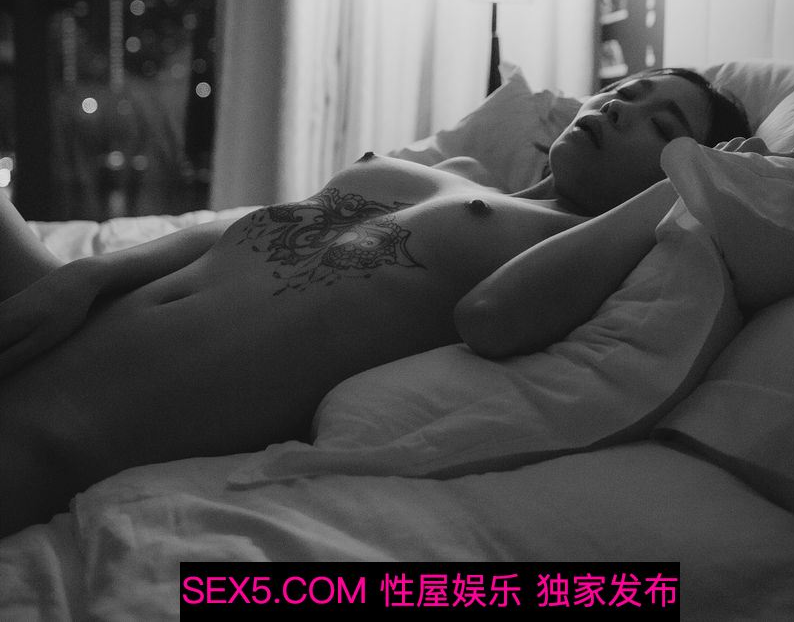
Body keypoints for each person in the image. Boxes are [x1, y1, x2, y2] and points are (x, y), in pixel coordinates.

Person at [0, 67, 753, 538]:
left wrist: (686, 184)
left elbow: (493, 318)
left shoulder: (582, 252)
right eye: (625, 90)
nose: (619, 108)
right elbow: (253, 221)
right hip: (74, 309)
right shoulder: (459, 170)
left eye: (661, 125)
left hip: (83, 420)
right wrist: (86, 276)